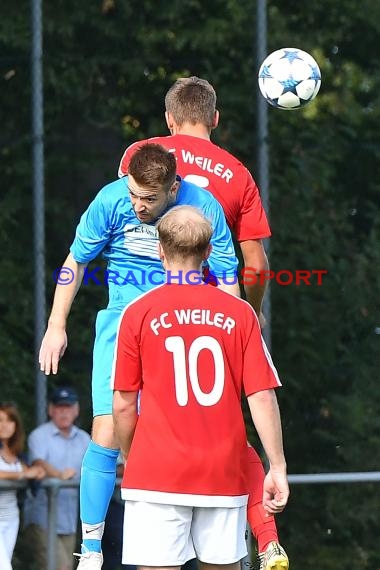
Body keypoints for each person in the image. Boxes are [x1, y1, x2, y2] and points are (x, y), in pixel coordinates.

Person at [39, 143, 240, 569]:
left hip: (184, 325)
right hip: (123, 323)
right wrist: (56, 325)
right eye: (133, 194)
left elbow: (226, 278)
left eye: (149, 198)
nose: (138, 205)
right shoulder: (111, 200)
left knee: (200, 431)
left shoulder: (203, 207)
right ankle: (90, 551)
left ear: (174, 189)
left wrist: (231, 341)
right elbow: (75, 261)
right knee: (106, 430)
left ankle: (219, 545)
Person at [118, 76, 288, 570]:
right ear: (215, 118)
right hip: (223, 311)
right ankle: (267, 532)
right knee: (238, 425)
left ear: (169, 119)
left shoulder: (143, 155)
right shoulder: (237, 172)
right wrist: (248, 310)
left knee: (134, 412)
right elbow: (255, 264)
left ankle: (89, 544)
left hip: (146, 305)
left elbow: (125, 403)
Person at [23, 386, 90, 570]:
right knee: (60, 567)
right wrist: (60, 476)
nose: (64, 412)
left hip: (69, 520)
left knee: (64, 565)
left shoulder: (85, 439)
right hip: (42, 517)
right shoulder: (39, 435)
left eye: (68, 407)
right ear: (50, 410)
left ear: (76, 410)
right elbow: (38, 462)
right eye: (59, 407)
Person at [0, 402, 45, 570]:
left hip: (11, 517)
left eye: (10, 421)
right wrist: (22, 474)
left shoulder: (18, 454)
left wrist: (37, 472)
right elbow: (23, 473)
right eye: (0, 420)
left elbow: (32, 472)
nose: (5, 426)